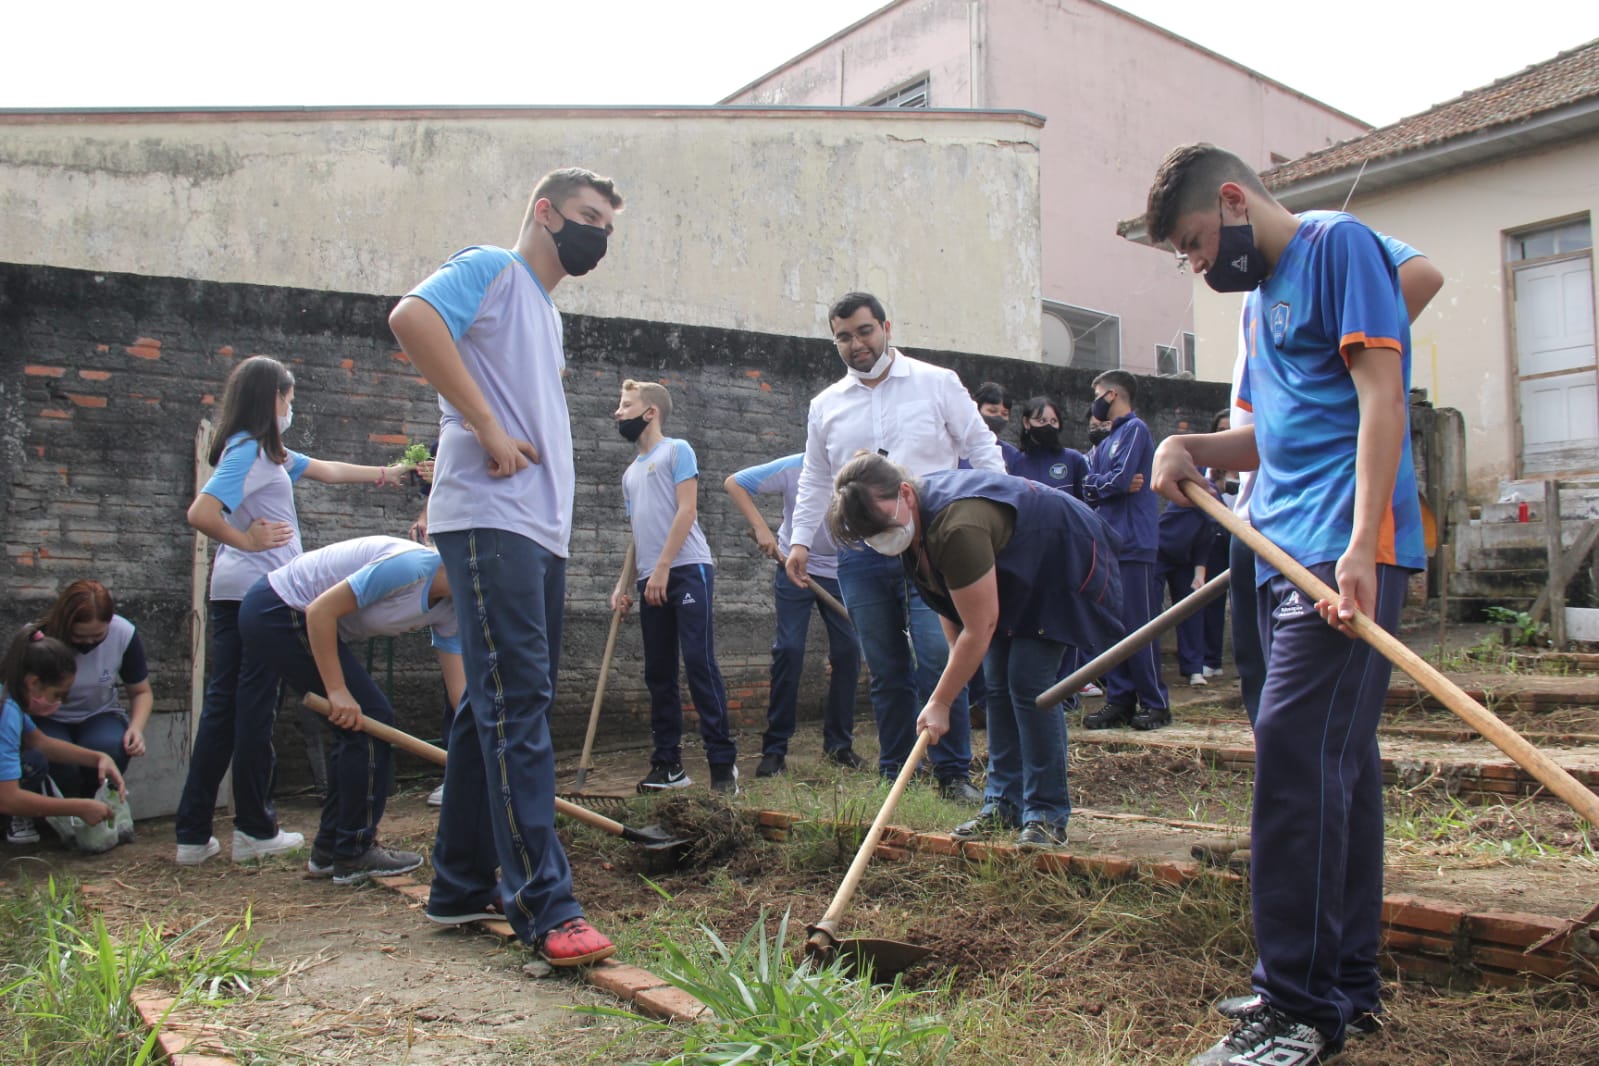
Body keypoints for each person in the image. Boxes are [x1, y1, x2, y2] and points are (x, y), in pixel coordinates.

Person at [1146, 142, 1428, 1065]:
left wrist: (1359, 545)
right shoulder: (1262, 306)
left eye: (1194, 242)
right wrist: (1188, 447)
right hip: (1279, 554)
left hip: (1341, 558)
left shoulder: (1337, 245)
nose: (1197, 264)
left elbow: (1381, 398)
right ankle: (1342, 983)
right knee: (1327, 764)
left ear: (1232, 200)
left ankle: (1294, 1007)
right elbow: (1269, 440)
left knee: (1296, 767)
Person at [389, 165, 621, 967]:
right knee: (516, 702)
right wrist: (484, 425)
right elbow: (412, 317)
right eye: (588, 216)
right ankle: (545, 905)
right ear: (545, 211)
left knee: (486, 705)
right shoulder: (491, 266)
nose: (598, 234)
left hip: (534, 526)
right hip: (492, 519)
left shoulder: (544, 314)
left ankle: (458, 885)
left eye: (608, 226)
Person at [176, 355, 409, 867]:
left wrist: (390, 474)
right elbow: (201, 512)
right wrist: (246, 539)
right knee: (251, 710)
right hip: (258, 590)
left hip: (234, 588)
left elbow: (325, 470)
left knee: (226, 708)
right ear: (269, 399)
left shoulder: (265, 451)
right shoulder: (247, 452)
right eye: (288, 398)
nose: (291, 407)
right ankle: (254, 829)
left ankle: (193, 833)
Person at [826, 454, 1123, 847]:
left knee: (1028, 683)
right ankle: (1002, 806)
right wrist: (958, 664)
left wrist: (940, 701)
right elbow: (948, 599)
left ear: (905, 493)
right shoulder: (911, 526)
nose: (880, 537)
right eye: (870, 534)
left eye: (882, 527)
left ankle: (1045, 814)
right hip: (1012, 568)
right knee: (996, 682)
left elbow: (979, 626)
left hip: (1059, 556)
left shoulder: (957, 525)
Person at [786, 292, 998, 802]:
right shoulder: (826, 405)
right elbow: (815, 477)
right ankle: (895, 772)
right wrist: (798, 540)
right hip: (859, 551)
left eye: (863, 331)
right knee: (884, 667)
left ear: (885, 327)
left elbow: (980, 446)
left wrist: (1004, 512)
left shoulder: (936, 383)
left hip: (932, 545)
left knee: (937, 655)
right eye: (843, 336)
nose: (855, 344)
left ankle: (951, 774)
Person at [238, 535, 464, 884]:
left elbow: (459, 694)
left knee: (358, 726)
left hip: (298, 618)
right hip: (279, 609)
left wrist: (488, 738)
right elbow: (320, 611)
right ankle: (354, 849)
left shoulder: (453, 609)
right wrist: (337, 690)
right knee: (369, 720)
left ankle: (331, 849)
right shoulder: (411, 566)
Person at [611, 380, 738, 795]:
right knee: (658, 673)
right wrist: (623, 584)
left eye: (626, 405)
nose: (618, 412)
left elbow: (687, 510)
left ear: (651, 412)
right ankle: (668, 766)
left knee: (698, 662)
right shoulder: (630, 475)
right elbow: (637, 533)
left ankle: (723, 766)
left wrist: (663, 567)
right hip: (652, 577)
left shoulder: (677, 450)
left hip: (686, 568)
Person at [724, 455, 864, 777]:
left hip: (842, 572)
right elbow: (735, 482)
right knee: (789, 650)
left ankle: (839, 746)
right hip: (792, 565)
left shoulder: (859, 468)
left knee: (849, 651)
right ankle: (775, 750)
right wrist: (762, 529)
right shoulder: (796, 467)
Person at [1082, 369, 1170, 730]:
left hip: (1134, 542)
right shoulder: (1102, 441)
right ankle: (1119, 699)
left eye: (1099, 394)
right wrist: (1110, 484)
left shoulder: (1135, 431)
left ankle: (1155, 702)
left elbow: (1120, 480)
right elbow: (1089, 485)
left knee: (1139, 624)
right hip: (1108, 541)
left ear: (1113, 395)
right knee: (1111, 626)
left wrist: (1108, 484)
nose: (1096, 403)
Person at [2, 626, 126, 845]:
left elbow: (40, 742)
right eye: (57, 694)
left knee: (33, 758)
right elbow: (8, 798)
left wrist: (98, 757)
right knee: (31, 763)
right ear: (33, 682)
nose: (60, 702)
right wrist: (78, 807)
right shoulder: (6, 713)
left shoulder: (9, 699)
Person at [34, 580, 152, 798]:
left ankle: (99, 804)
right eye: (79, 636)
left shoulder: (123, 633)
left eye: (98, 636)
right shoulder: (38, 638)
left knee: (109, 746)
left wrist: (136, 728)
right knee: (59, 760)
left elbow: (141, 691)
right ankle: (63, 811)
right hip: (48, 718)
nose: (89, 642)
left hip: (99, 714)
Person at [1156, 495, 1217, 687]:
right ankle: (1150, 667)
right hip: (1158, 553)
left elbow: (1206, 538)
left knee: (1191, 608)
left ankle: (1194, 668)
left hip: (1187, 560)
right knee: (1150, 611)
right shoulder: (1183, 502)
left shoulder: (1212, 508)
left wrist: (1199, 574)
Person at [1008, 395, 1087, 499]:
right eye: (1042, 421)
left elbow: (1086, 502)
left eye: (1054, 421)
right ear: (1026, 422)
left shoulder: (1074, 459)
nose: (1048, 426)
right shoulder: (1015, 462)